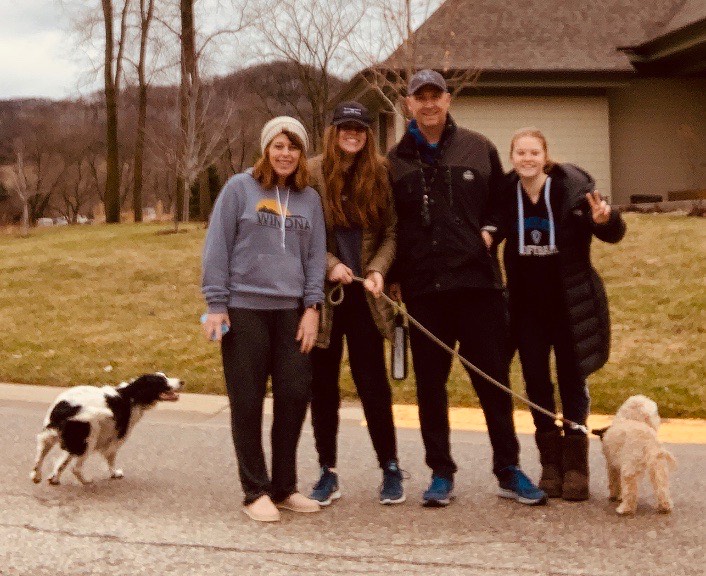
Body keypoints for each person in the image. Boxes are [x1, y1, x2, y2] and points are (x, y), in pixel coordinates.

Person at [386, 69, 546, 507]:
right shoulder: (395, 160)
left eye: (436, 96)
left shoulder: (478, 147)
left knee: (492, 382)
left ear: (448, 100)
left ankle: (508, 469)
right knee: (430, 389)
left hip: (479, 288)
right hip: (424, 291)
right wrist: (395, 275)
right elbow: (391, 226)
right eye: (421, 97)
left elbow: (502, 202)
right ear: (409, 105)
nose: (429, 104)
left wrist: (492, 231)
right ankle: (441, 472)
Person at [481, 127, 626, 501]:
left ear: (545, 156)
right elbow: (491, 228)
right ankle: (550, 463)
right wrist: (483, 238)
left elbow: (613, 232)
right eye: (520, 153)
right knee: (536, 381)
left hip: (568, 301)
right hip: (526, 306)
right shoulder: (505, 192)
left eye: (534, 153)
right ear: (511, 158)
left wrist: (604, 220)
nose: (527, 159)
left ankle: (576, 465)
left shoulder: (571, 192)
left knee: (572, 380)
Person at [201, 116, 327, 522]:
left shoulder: (309, 198)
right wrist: (216, 304)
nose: (285, 153)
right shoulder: (240, 188)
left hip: (291, 312)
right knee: (248, 401)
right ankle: (255, 490)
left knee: (293, 397)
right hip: (244, 310)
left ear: (301, 153)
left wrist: (312, 308)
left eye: (293, 146)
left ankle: (285, 486)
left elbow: (314, 257)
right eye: (278, 145)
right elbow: (217, 246)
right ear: (266, 148)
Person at [307, 101, 405, 506]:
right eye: (346, 127)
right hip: (324, 299)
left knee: (373, 386)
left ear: (368, 133)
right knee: (322, 387)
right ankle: (327, 470)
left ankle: (391, 467)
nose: (353, 133)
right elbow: (301, 234)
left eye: (360, 128)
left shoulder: (381, 173)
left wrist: (379, 269)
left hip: (365, 297)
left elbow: (392, 233)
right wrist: (330, 264)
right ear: (334, 131)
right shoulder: (310, 173)